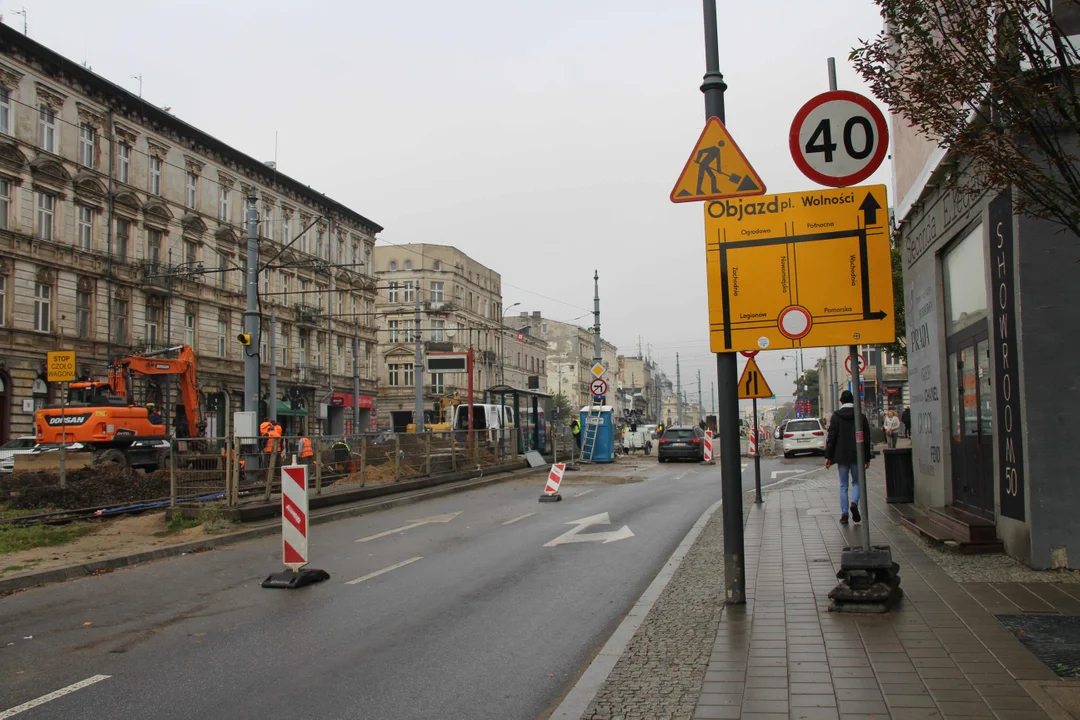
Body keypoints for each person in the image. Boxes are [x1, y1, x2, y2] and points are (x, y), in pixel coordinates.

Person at [824, 390, 873, 525]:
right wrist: (867, 457)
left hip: (841, 456)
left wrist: (828, 456)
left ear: (841, 402)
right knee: (857, 482)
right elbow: (867, 439)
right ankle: (854, 503)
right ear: (853, 401)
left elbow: (831, 438)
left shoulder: (836, 417)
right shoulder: (860, 416)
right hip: (857, 455)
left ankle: (844, 514)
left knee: (843, 485)